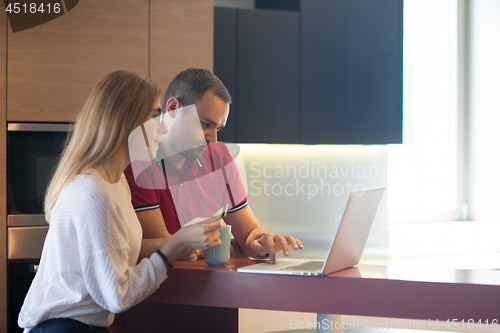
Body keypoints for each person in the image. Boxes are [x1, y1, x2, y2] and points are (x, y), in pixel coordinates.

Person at [18, 71, 222, 333]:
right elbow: (118, 295)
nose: (162, 126)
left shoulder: (115, 183)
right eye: (153, 115)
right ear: (126, 121)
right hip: (63, 328)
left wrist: (182, 239)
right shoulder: (94, 192)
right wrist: (177, 245)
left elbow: (116, 253)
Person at [124, 68, 303, 264]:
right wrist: (232, 248)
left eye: (218, 128)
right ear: (174, 108)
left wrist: (263, 241)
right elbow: (166, 250)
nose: (213, 139)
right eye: (205, 124)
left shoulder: (220, 157)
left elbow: (249, 234)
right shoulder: (139, 161)